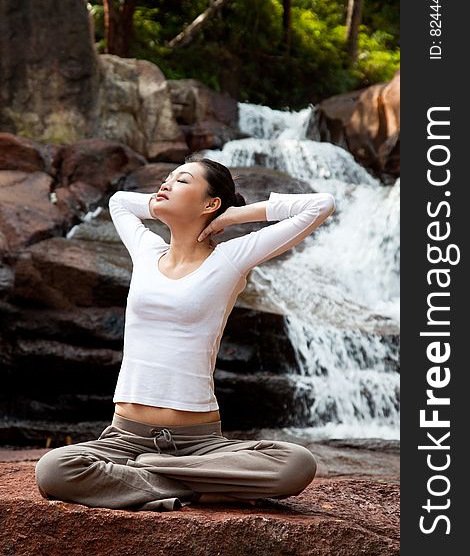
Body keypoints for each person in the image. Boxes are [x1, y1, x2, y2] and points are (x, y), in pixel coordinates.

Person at [35, 155, 335, 512]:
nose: (165, 183)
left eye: (182, 180)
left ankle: (147, 474)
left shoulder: (231, 258)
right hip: (125, 437)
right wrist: (160, 200)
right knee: (54, 470)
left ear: (211, 203)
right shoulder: (146, 250)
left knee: (296, 463)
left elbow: (320, 204)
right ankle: (192, 488)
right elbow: (119, 201)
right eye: (167, 177)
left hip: (200, 445)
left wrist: (236, 215)